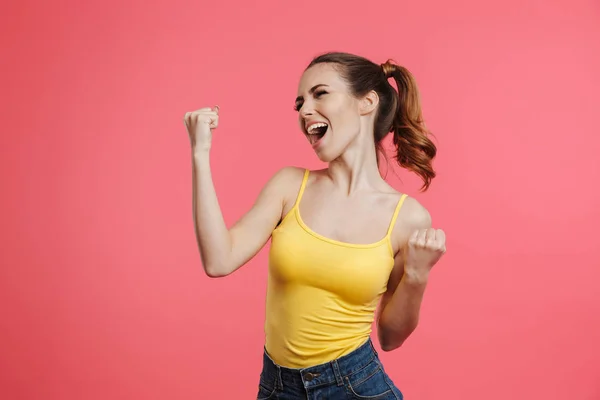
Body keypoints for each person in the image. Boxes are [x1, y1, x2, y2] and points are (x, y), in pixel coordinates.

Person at [183, 51, 447, 400]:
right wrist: (200, 154)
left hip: (355, 386)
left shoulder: (407, 217)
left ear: (366, 102)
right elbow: (218, 260)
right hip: (278, 387)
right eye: (300, 103)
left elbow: (390, 337)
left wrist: (417, 275)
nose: (305, 110)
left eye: (320, 94)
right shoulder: (289, 186)